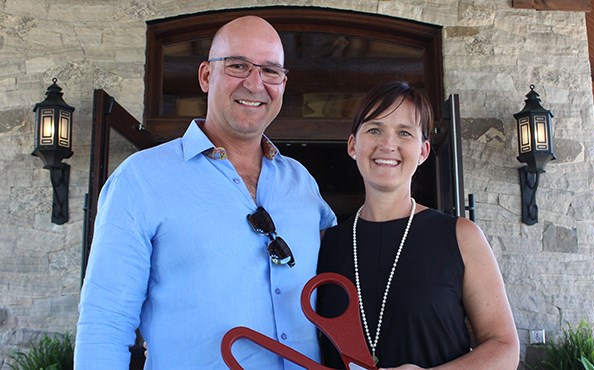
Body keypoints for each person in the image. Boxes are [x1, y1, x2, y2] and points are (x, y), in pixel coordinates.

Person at [75, 16, 336, 369]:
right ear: (206, 76)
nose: (255, 83)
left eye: (270, 71)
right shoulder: (140, 179)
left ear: (283, 83)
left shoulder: (302, 183)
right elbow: (105, 323)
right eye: (238, 65)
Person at [316, 81, 520, 369]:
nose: (388, 144)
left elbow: (505, 349)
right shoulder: (326, 244)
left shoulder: (460, 236)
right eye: (374, 129)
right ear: (352, 145)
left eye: (404, 133)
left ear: (423, 151)